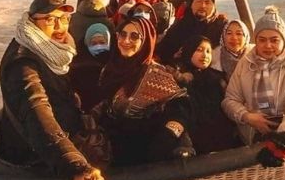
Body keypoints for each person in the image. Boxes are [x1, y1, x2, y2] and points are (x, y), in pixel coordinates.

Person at [0, 0, 105, 180]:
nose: (60, 27)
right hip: (38, 160)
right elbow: (37, 114)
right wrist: (76, 167)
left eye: (64, 19)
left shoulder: (49, 52)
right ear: (32, 21)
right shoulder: (23, 65)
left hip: (57, 143)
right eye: (50, 20)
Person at [222, 5, 285, 167]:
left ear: (284, 41)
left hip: (282, 146)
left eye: (274, 40)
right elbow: (230, 100)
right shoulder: (246, 64)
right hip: (249, 139)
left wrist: (283, 137)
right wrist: (247, 117)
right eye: (262, 40)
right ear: (255, 40)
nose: (267, 46)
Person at [96, 16, 195, 166]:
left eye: (134, 36)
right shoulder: (109, 69)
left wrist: (167, 137)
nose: (126, 40)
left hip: (142, 154)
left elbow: (180, 109)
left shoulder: (155, 74)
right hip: (108, 150)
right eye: (122, 34)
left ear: (146, 41)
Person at [176, 35, 239, 155]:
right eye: (199, 50)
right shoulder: (178, 80)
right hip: (193, 146)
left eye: (208, 51)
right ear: (189, 50)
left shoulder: (219, 78)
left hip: (223, 141)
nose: (205, 55)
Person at [155, 0, 227, 65]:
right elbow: (163, 50)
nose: (203, 6)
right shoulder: (181, 25)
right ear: (191, 5)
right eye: (199, 1)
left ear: (213, 7)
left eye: (207, 2)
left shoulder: (221, 28)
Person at [69, 23, 112, 113]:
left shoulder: (115, 62)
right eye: (93, 43)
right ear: (87, 44)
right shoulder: (78, 67)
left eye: (102, 42)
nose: (98, 46)